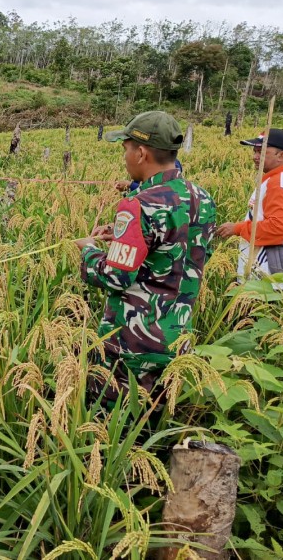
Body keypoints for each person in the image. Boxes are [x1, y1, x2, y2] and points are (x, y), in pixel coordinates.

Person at [75, 111, 216, 403]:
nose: (124, 156)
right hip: (178, 337)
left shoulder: (139, 204)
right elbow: (186, 251)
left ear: (141, 153)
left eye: (125, 149)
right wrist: (125, 238)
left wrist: (89, 250)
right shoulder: (202, 197)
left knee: (115, 428)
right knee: (155, 420)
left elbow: (114, 276)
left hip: (133, 343)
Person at [216, 129, 283, 278]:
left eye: (262, 152)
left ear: (282, 155)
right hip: (282, 269)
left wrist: (238, 228)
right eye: (255, 151)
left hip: (267, 276)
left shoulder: (277, 184)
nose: (255, 157)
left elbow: (278, 228)